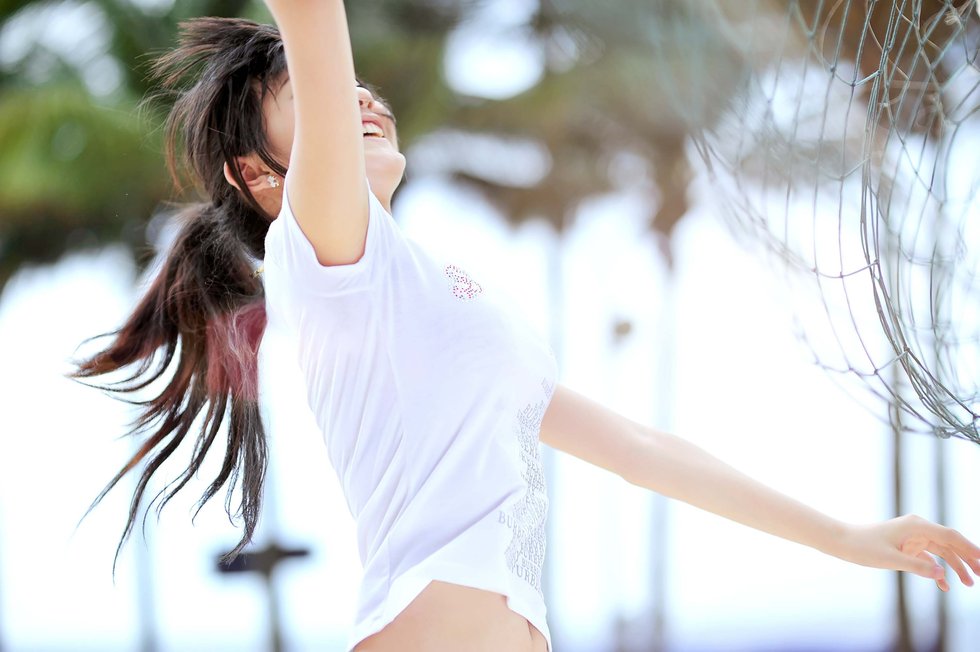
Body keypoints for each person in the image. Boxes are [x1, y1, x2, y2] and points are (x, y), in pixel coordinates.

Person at [71, 3, 980, 652]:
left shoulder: (447, 293)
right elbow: (312, 14)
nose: (359, 98)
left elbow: (641, 446)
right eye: (316, 95)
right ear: (256, 175)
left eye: (361, 86)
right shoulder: (326, 259)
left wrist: (847, 538)